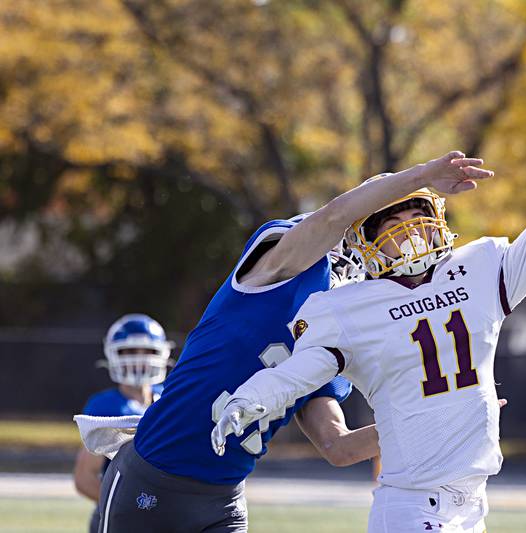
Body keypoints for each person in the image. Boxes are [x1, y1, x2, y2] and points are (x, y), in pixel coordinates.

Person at [212, 79, 526, 532]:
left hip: (472, 503)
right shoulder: (347, 307)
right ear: (363, 242)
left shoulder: (482, 268)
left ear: (438, 217)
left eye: (415, 211)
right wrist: (252, 398)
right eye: (390, 219)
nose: (406, 226)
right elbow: (300, 374)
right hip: (411, 506)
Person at [85, 151, 493, 533]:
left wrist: (441, 417)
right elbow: (333, 219)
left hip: (221, 500)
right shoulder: (281, 267)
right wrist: (421, 176)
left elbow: (339, 447)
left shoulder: (339, 335)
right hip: (153, 475)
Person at [73, 314, 172, 533]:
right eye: (129, 351)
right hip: (122, 516)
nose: (139, 359)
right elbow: (84, 476)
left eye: (147, 351)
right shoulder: (105, 406)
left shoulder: (169, 399)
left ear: (162, 353)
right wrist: (129, 508)